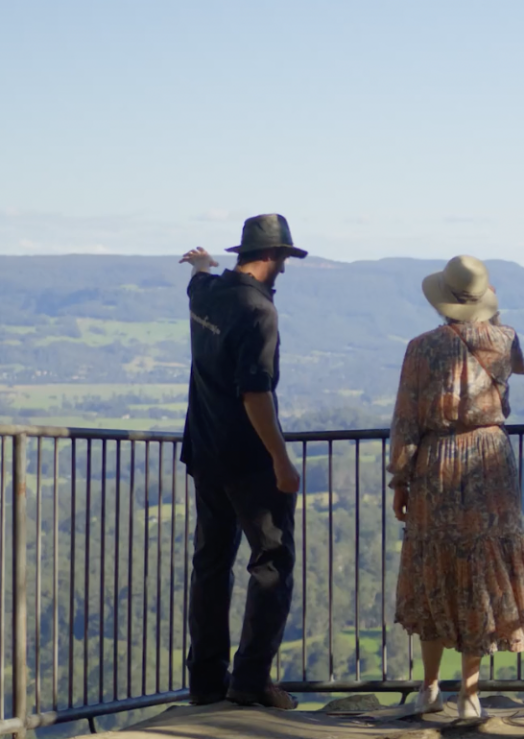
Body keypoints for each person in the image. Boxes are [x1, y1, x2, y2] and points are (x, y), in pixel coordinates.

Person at [387, 255, 524, 720]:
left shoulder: (421, 349)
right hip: (491, 462)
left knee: (434, 567)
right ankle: (470, 695)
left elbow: (407, 418)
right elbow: (518, 372)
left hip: (438, 462)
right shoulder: (505, 338)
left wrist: (400, 478)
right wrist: (490, 315)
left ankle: (429, 687)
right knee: (480, 570)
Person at [179, 214, 307, 710]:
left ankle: (206, 681)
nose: (285, 269)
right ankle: (251, 680)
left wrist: (201, 264)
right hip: (249, 460)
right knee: (272, 563)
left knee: (211, 564)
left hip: (204, 451)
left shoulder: (208, 294)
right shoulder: (258, 311)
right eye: (285, 258)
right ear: (272, 255)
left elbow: (196, 281)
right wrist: (281, 459)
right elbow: (255, 393)